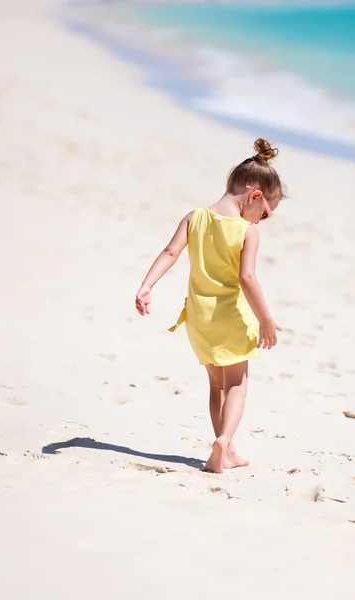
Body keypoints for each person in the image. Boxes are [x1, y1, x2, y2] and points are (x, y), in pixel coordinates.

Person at [135, 138, 284, 473]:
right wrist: (266, 320)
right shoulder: (246, 232)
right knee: (237, 383)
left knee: (216, 384)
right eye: (265, 212)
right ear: (254, 196)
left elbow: (170, 253)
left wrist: (146, 286)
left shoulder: (194, 217)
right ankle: (225, 441)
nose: (263, 219)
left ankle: (224, 447)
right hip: (230, 317)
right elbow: (247, 278)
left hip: (199, 319)